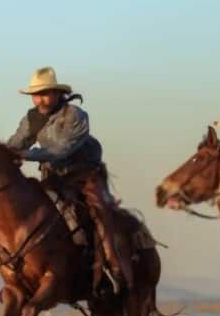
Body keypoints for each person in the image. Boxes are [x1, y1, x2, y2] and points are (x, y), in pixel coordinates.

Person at [7, 66, 133, 293]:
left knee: (99, 211)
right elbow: (16, 143)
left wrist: (23, 155)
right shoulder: (32, 118)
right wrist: (2, 154)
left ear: (57, 94)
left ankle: (113, 268)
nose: (39, 99)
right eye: (35, 94)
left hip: (84, 177)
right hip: (53, 178)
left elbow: (61, 150)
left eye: (44, 93)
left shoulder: (74, 115)